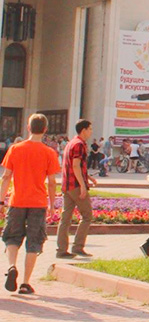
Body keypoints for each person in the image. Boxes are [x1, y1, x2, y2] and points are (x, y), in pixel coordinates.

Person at [0, 113, 60, 294]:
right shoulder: (49, 152)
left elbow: (6, 176)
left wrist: (1, 200)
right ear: (45, 130)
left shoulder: (15, 149)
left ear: (28, 128)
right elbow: (51, 182)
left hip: (17, 200)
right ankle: (25, 283)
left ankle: (12, 266)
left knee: (12, 236)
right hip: (38, 202)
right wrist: (51, 204)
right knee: (34, 242)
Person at [55, 119, 97, 259]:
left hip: (67, 185)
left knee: (65, 218)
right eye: (90, 129)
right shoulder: (79, 144)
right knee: (87, 216)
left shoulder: (71, 143)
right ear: (83, 130)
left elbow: (75, 166)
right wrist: (83, 186)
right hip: (75, 186)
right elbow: (75, 165)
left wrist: (89, 177)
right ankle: (78, 247)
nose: (91, 131)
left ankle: (61, 250)